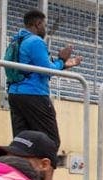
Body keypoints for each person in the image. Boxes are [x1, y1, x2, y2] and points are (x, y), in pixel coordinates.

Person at [7, 10, 83, 147]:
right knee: (50, 142)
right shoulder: (36, 41)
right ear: (38, 24)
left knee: (22, 142)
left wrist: (63, 64)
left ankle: (22, 168)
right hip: (34, 95)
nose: (45, 29)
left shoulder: (17, 40)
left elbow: (36, 66)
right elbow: (47, 71)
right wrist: (61, 59)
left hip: (15, 95)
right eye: (44, 25)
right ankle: (40, 168)